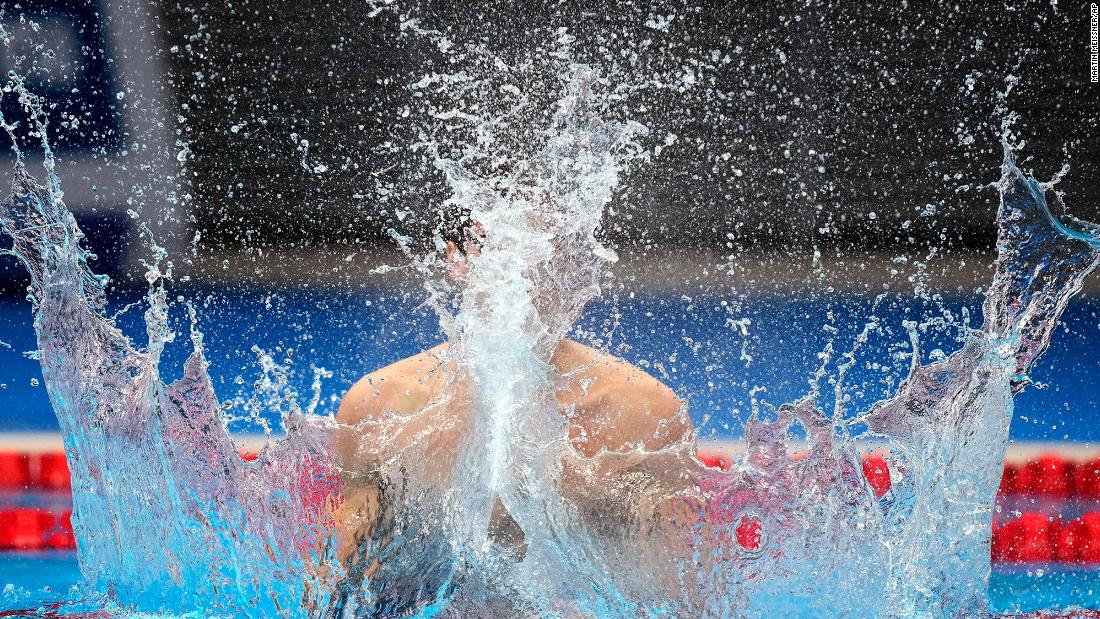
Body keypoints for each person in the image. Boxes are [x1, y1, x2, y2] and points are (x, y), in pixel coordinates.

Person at [330, 208, 693, 575]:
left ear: (571, 267)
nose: (521, 273)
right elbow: (350, 586)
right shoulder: (379, 408)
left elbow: (674, 591)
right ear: (458, 262)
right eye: (498, 249)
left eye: (541, 252)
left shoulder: (643, 414)